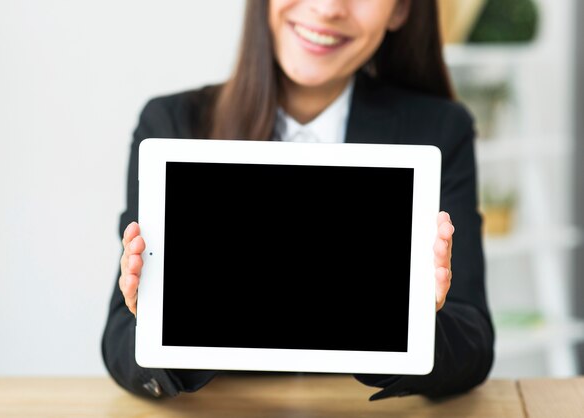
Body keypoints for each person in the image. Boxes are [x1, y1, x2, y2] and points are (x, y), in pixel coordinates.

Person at [102, 0, 494, 401]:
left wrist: (406, 324)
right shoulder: (176, 125)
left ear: (400, 10)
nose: (326, 8)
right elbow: (120, 346)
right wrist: (167, 320)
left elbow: (473, 345)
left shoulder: (438, 129)